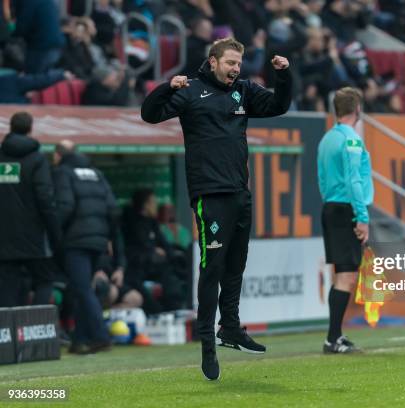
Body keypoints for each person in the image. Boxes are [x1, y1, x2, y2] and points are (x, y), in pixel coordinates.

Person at [141, 37, 292, 381]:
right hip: (209, 195)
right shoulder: (190, 91)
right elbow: (149, 115)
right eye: (230, 63)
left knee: (236, 265)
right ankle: (207, 345)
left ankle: (231, 328)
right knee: (212, 270)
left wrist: (284, 76)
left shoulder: (244, 91)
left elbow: (280, 106)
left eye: (239, 64)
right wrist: (166, 88)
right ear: (213, 61)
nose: (235, 69)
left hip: (240, 193)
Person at [317, 87, 373, 353]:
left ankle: (335, 335)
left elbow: (322, 179)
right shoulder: (351, 140)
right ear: (357, 108)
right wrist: (362, 217)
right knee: (347, 276)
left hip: (330, 206)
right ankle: (332, 339)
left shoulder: (327, 139)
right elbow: (355, 180)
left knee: (342, 274)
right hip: (346, 209)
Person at [53, 140, 120, 354]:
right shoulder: (96, 173)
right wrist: (108, 237)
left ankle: (100, 336)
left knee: (82, 289)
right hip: (98, 240)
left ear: (57, 155)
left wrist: (56, 234)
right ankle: (79, 339)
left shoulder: (63, 172)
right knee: (82, 289)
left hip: (76, 241)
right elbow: (112, 208)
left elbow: (65, 206)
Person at [0, 112, 61, 307]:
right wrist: (55, 233)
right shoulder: (37, 159)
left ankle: (6, 334)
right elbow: (45, 197)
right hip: (34, 236)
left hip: (4, 236)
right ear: (30, 128)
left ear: (10, 127)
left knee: (8, 286)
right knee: (44, 280)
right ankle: (38, 327)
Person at [122, 189, 186, 314]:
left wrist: (169, 253)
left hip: (154, 265)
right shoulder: (130, 222)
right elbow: (140, 245)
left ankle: (174, 308)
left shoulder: (152, 222)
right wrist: (153, 250)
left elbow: (164, 244)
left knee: (175, 275)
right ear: (145, 205)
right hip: (137, 267)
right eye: (153, 202)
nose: (156, 205)